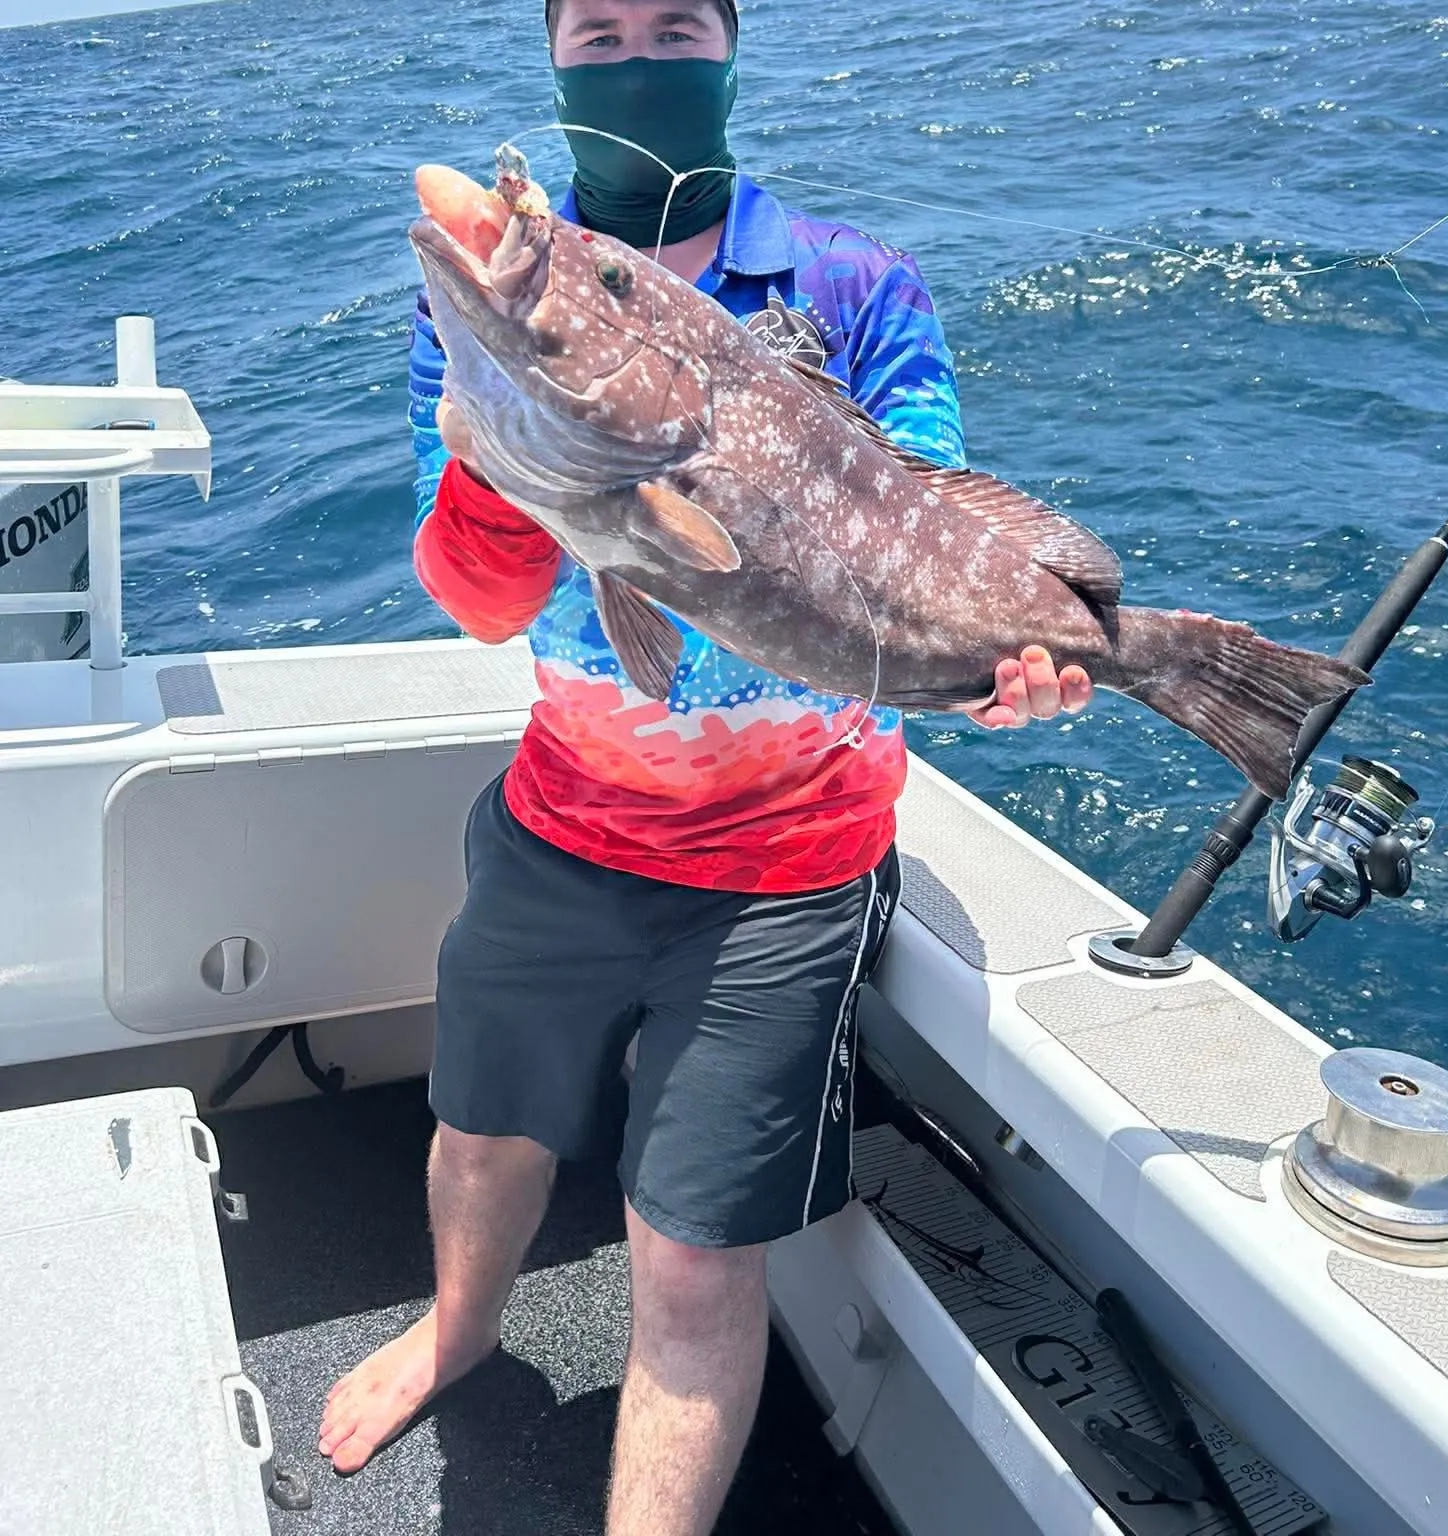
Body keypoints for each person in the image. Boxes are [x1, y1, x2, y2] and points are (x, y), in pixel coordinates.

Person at [320, 1, 1093, 1529]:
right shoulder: (478, 308)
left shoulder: (856, 284)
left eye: (672, 23)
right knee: (477, 1130)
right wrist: (502, 443)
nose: (634, 58)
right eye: (595, 32)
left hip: (789, 868)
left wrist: (1002, 673)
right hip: (559, 820)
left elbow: (920, 520)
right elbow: (479, 602)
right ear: (554, 65)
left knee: (688, 1248)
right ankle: (458, 1331)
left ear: (729, 51)